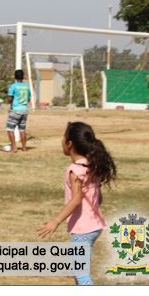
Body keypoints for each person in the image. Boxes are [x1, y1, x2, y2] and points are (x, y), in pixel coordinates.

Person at [37, 121, 117, 285]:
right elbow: (98, 199)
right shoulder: (91, 166)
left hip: (82, 231)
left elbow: (76, 200)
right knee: (79, 272)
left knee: (82, 276)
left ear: (69, 144)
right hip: (94, 227)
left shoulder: (74, 170)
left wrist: (56, 221)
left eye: (63, 137)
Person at [5, 69, 32, 152]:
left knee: (10, 129)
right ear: (23, 77)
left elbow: (10, 99)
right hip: (24, 110)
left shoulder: (13, 86)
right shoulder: (26, 87)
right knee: (22, 130)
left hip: (16, 110)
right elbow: (28, 99)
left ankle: (14, 147)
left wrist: (8, 99)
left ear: (15, 77)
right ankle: (24, 147)